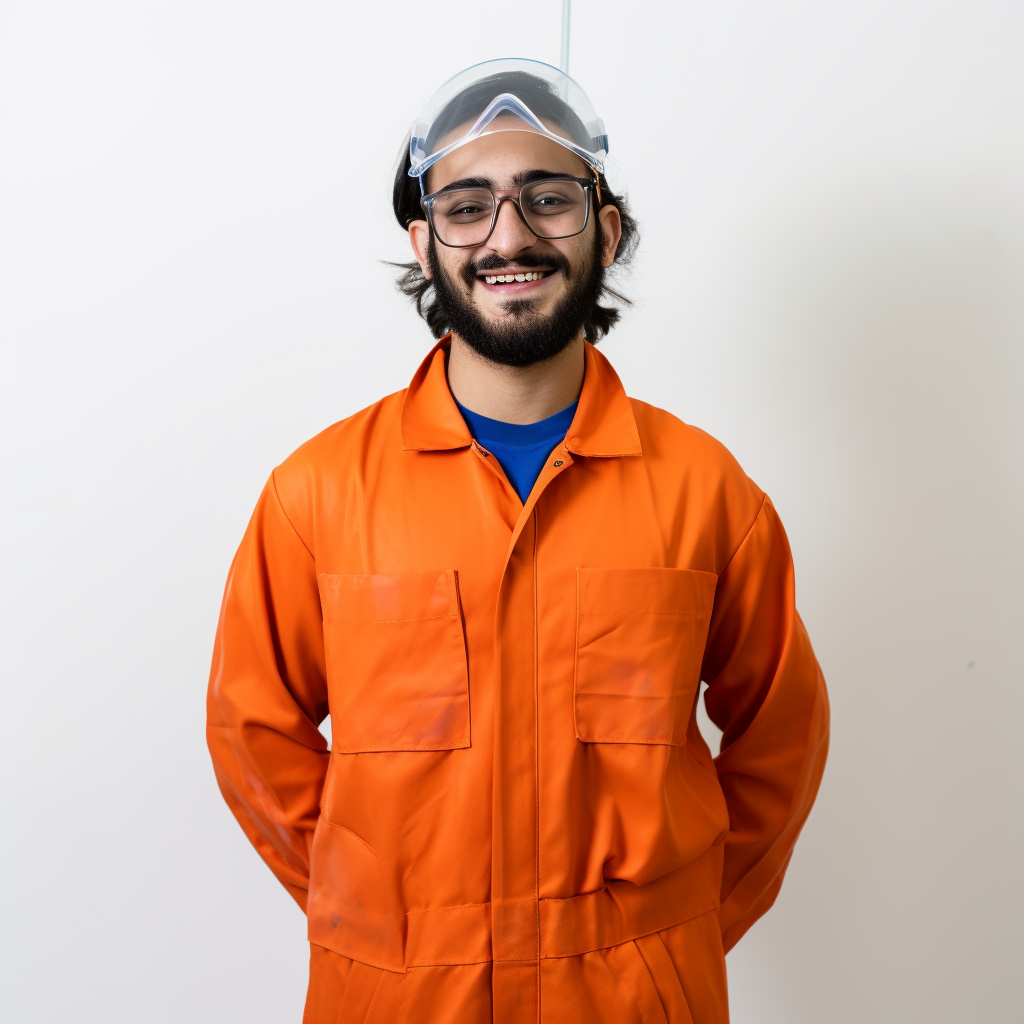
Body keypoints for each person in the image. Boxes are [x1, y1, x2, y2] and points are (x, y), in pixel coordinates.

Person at [206, 58, 829, 1024]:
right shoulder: (317, 495)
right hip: (398, 996)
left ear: (606, 231)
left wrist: (678, 929)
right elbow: (255, 733)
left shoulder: (706, 493)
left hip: (636, 1000)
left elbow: (781, 736)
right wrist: (373, 912)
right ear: (424, 243)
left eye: (548, 199)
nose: (510, 236)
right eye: (467, 205)